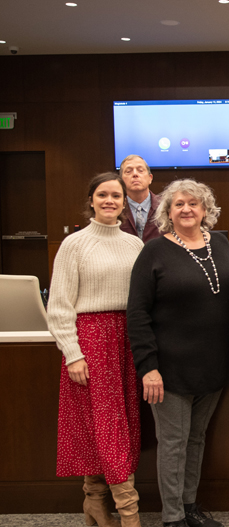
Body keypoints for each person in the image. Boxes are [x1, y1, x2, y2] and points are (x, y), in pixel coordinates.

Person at [127, 179, 229, 527]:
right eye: (178, 204)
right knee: (173, 444)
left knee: (196, 438)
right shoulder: (154, 251)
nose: (187, 209)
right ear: (167, 212)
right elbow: (138, 313)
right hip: (169, 369)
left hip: (215, 364)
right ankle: (172, 517)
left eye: (194, 203)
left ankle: (190, 507)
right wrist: (148, 367)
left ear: (206, 209)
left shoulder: (220, 243)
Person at [48, 172, 144, 527]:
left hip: (127, 341)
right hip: (91, 342)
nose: (109, 201)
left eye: (116, 196)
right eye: (102, 195)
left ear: (124, 202)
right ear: (91, 200)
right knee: (106, 425)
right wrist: (72, 352)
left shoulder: (134, 244)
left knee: (119, 424)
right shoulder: (74, 244)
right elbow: (59, 304)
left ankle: (95, 502)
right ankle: (129, 514)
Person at [119, 154, 162, 243]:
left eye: (140, 170)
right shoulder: (116, 208)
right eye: (128, 171)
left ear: (150, 178)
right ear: (121, 180)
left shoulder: (165, 206)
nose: (135, 174)